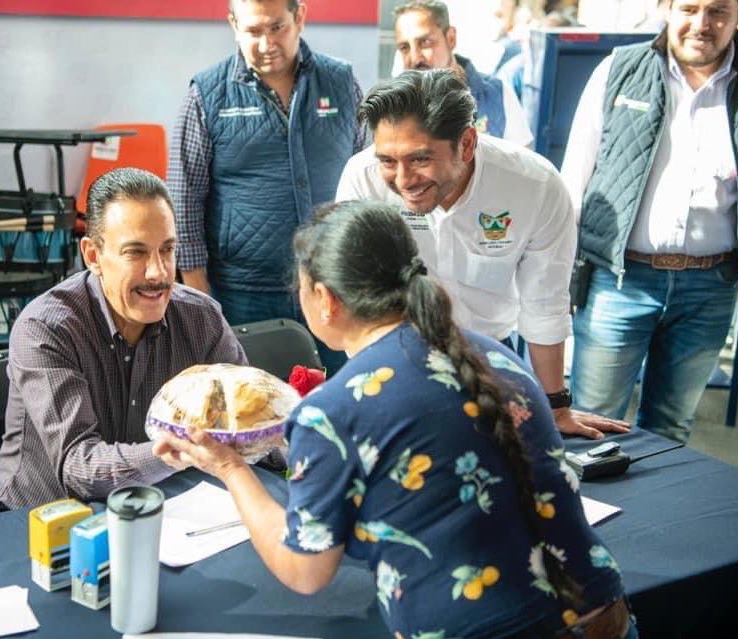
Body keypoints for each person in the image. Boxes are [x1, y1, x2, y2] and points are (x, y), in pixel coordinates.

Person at [153, 200, 636, 639]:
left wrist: (231, 469)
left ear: (325, 299)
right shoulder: (496, 356)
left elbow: (306, 571)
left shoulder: (332, 411)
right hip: (603, 616)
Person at [337, 69, 629, 440]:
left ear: (468, 143)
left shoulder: (535, 186)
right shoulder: (362, 179)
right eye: (388, 161)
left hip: (488, 357)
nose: (403, 180)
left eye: (420, 160)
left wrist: (556, 406)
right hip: (391, 358)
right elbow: (355, 294)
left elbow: (545, 303)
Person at [0, 168, 247, 509]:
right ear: (93, 256)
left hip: (170, 508)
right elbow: (79, 466)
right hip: (49, 519)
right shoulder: (45, 328)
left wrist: (298, 426)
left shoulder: (202, 317)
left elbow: (245, 418)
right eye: (136, 253)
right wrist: (180, 449)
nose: (159, 272)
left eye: (167, 250)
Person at [561, 0, 738, 443]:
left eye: (718, 11)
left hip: (710, 288)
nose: (702, 24)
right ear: (666, 9)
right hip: (619, 283)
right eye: (689, 8)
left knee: (669, 430)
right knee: (592, 423)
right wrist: (561, 276)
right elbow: (574, 181)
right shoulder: (619, 70)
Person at [167, 0, 366, 373]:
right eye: (253, 31)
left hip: (334, 284)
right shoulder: (207, 93)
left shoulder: (341, 82)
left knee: (340, 407)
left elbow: (367, 175)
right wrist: (199, 297)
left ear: (300, 17)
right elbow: (184, 198)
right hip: (244, 292)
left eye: (277, 27)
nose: (266, 42)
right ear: (234, 26)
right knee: (252, 415)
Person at [392, 0, 533, 147]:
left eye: (425, 42)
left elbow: (525, 165)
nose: (415, 59)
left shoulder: (497, 95)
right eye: (404, 47)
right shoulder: (394, 107)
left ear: (451, 38)